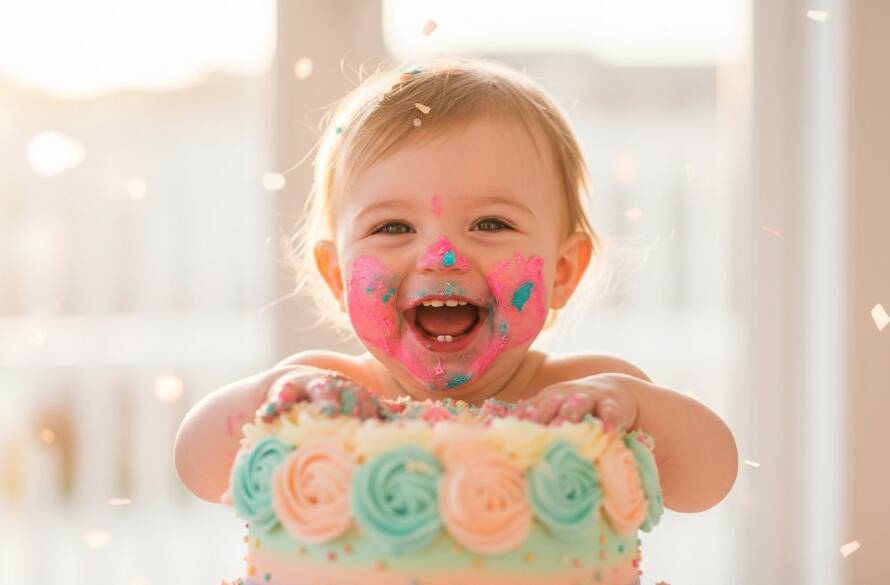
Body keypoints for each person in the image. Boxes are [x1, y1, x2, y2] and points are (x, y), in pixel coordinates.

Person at [174, 56, 738, 517]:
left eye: (491, 224)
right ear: (338, 277)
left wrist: (633, 403)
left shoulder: (584, 396)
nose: (441, 255)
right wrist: (267, 394)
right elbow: (196, 466)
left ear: (563, 270)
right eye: (393, 227)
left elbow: (709, 478)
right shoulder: (325, 396)